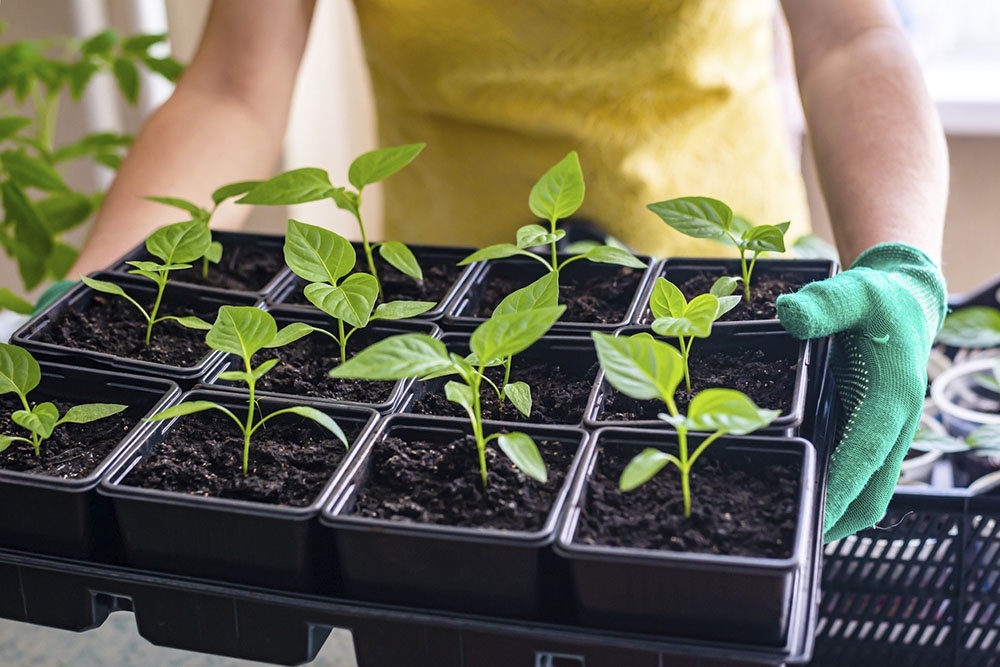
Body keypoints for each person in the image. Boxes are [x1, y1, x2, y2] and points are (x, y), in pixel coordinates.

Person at [65, 0, 949, 543]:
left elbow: (851, 36)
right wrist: (91, 303)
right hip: (445, 314)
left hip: (714, 301)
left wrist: (902, 262)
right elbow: (233, 85)